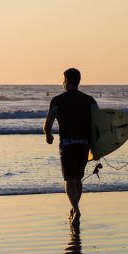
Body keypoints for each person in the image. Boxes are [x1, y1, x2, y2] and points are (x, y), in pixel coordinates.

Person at [43, 67, 98, 225]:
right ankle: (74, 209)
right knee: (78, 179)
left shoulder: (57, 100)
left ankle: (76, 209)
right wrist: (97, 146)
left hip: (67, 144)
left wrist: (48, 134)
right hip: (84, 144)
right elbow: (98, 124)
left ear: (66, 81)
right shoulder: (90, 101)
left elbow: (48, 123)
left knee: (69, 179)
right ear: (79, 81)